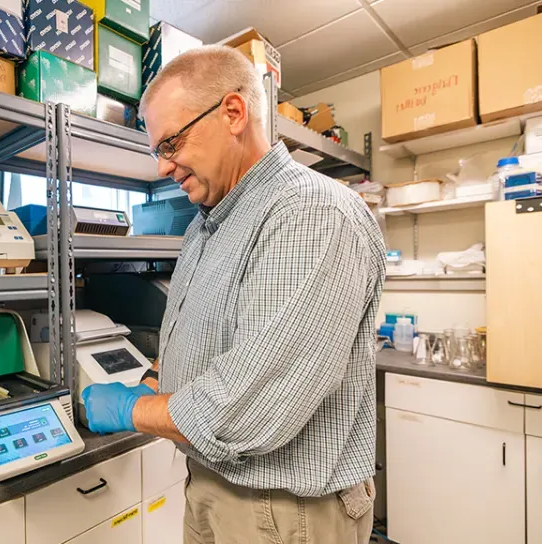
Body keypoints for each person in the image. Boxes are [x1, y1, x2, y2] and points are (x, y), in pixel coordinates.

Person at [81, 45, 386, 543]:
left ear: (233, 113)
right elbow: (199, 334)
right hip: (214, 487)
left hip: (286, 511)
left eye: (170, 143)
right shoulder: (208, 225)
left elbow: (246, 407)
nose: (162, 167)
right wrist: (155, 377)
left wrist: (132, 409)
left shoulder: (309, 213)